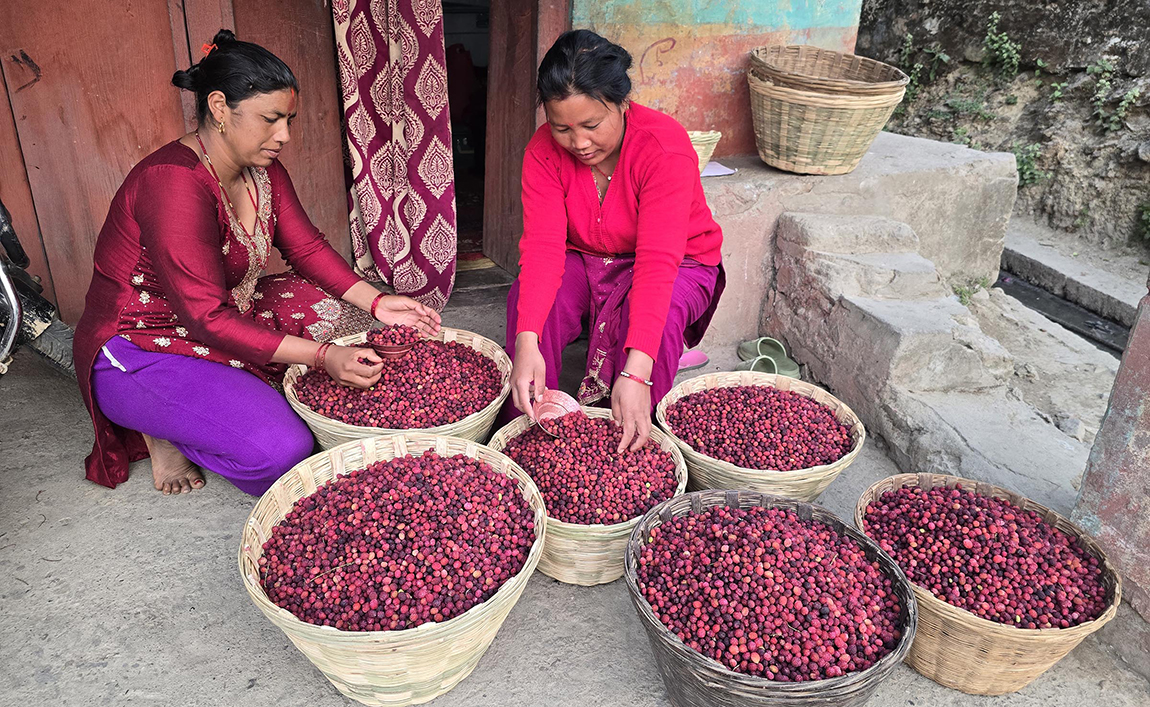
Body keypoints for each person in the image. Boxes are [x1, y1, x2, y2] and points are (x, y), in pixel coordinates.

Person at [73, 30, 441, 496]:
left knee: (345, 314)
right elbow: (206, 318)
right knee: (281, 451)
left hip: (221, 313)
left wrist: (381, 302)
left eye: (288, 120)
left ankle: (227, 401)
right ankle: (166, 431)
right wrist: (324, 357)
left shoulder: (261, 168)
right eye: (271, 119)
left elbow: (306, 249)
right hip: (142, 347)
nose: (284, 135)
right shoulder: (173, 183)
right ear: (221, 106)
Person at [505, 30, 725, 453]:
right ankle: (528, 438)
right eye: (561, 128)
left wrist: (636, 372)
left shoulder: (663, 147)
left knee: (650, 330)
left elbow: (658, 262)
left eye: (591, 124)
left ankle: (636, 442)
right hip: (585, 256)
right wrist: (526, 340)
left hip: (679, 262)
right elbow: (544, 249)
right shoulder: (542, 153)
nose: (579, 143)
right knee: (529, 305)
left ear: (623, 104)